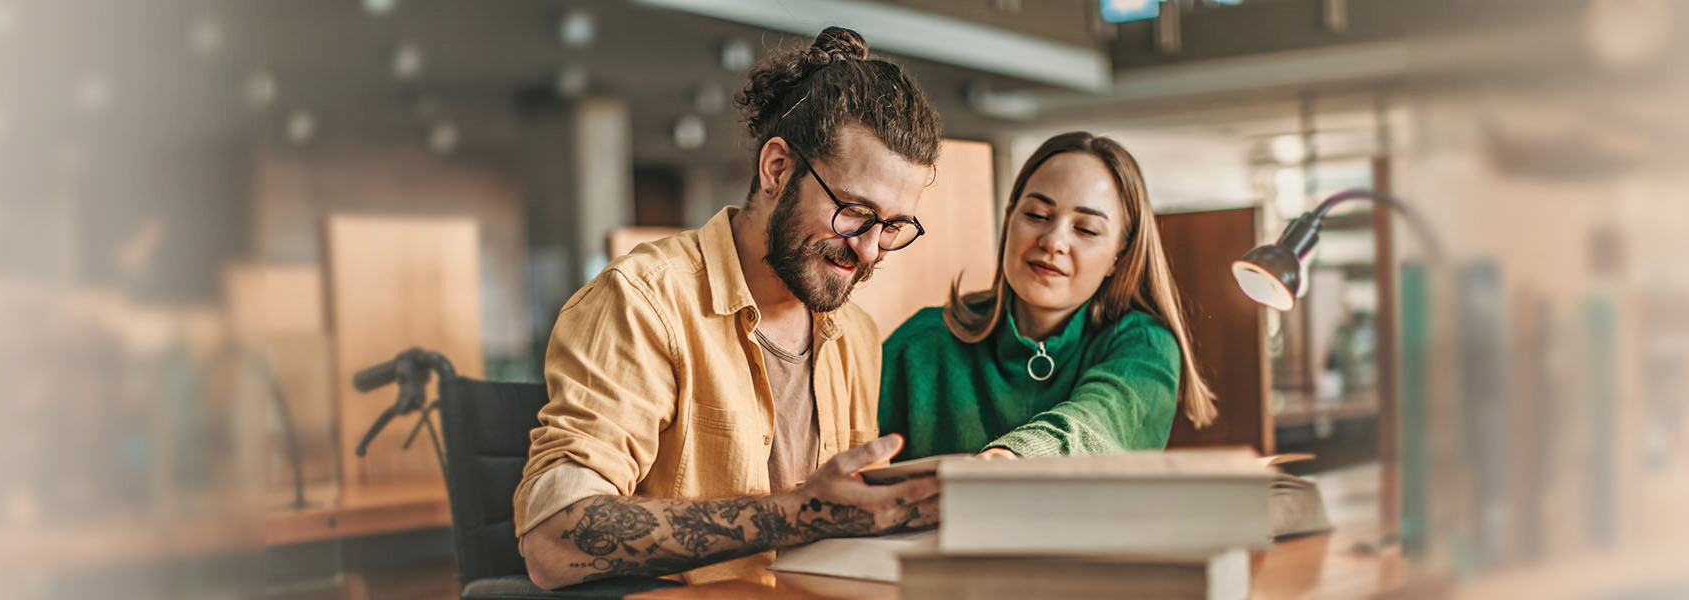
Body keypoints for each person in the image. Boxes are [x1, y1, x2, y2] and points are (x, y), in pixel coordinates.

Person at [513, 27, 948, 590]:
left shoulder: (855, 335)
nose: (868, 248)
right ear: (776, 170)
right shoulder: (644, 300)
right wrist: (794, 513)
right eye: (855, 212)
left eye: (892, 226)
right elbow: (553, 538)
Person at [876, 132, 1219, 462]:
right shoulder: (921, 342)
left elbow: (1094, 426)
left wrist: (1008, 461)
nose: (1053, 240)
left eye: (1085, 229)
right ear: (1009, 218)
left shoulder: (1145, 346)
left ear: (1120, 254)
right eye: (1037, 215)